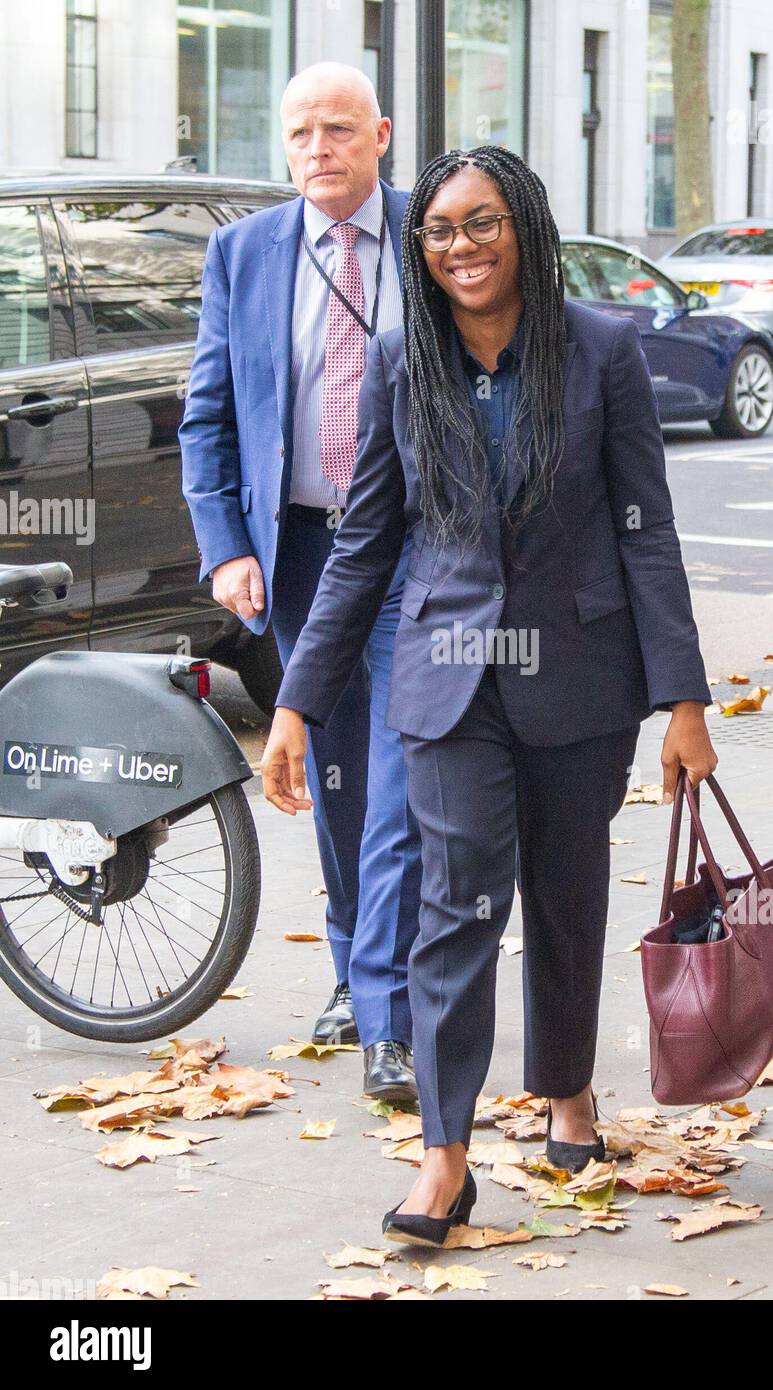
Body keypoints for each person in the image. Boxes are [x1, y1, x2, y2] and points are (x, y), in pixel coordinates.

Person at [261, 145, 716, 1244]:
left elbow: (644, 533)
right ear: (420, 249)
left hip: (579, 678)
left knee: (567, 897)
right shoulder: (397, 358)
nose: (460, 246)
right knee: (452, 910)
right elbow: (365, 543)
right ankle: (444, 1153)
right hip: (445, 682)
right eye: (440, 230)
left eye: (482, 223)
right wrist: (296, 702)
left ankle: (565, 1091)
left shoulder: (601, 350)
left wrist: (686, 701)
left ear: (525, 227)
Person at [180, 63, 422, 1102]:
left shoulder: (434, 233)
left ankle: (394, 1005)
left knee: (409, 773)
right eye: (297, 133)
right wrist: (226, 542)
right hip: (303, 554)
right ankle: (349, 971)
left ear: (380, 134)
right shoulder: (243, 254)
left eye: (335, 128)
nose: (316, 148)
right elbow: (209, 416)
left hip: (418, 551)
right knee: (334, 774)